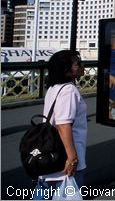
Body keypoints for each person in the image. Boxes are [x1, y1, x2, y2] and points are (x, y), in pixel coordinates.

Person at [33, 50, 87, 200]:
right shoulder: (69, 90)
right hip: (64, 153)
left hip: (50, 151)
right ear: (67, 70)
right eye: (77, 63)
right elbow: (63, 125)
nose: (82, 65)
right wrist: (72, 158)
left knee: (43, 190)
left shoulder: (53, 88)